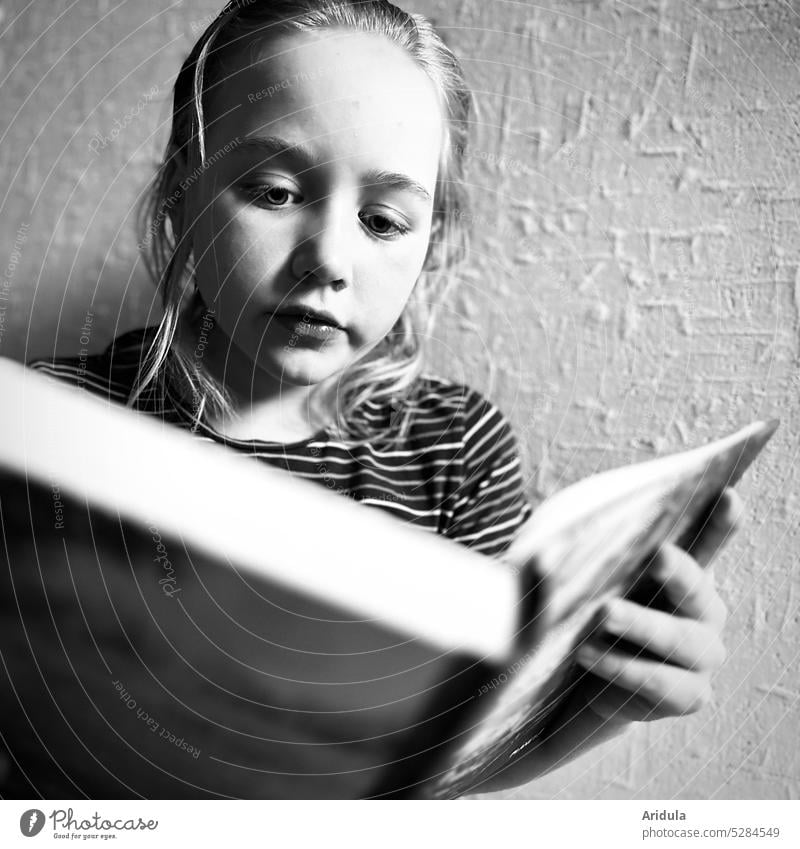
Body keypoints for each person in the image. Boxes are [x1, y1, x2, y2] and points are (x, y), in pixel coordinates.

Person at [23, 0, 742, 797]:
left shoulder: (456, 451)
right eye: (271, 191)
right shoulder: (45, 428)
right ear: (180, 194)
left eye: (382, 219)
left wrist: (594, 710)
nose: (328, 258)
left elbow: (443, 766)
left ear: (435, 240)